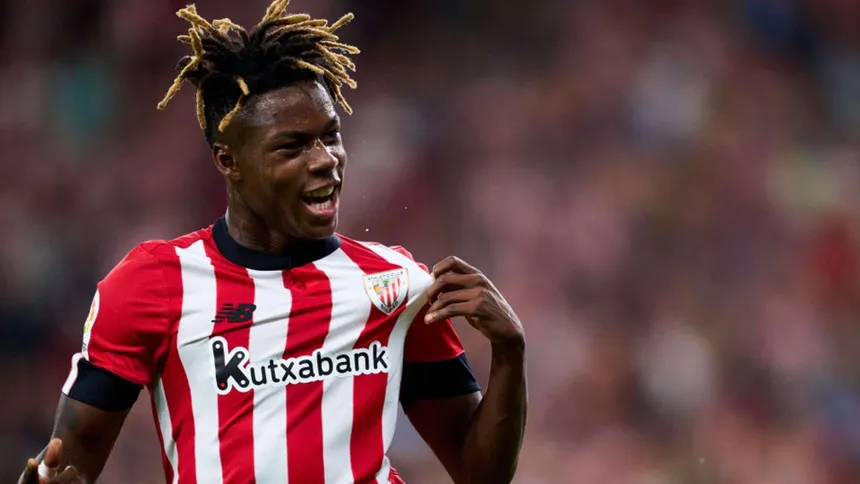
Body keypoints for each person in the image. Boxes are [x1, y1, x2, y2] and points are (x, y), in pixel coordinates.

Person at [18, 2, 527, 483]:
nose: (326, 159)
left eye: (331, 135)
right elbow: (71, 458)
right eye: (293, 146)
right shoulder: (152, 285)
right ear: (228, 161)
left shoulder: (395, 285)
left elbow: (480, 472)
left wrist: (509, 352)